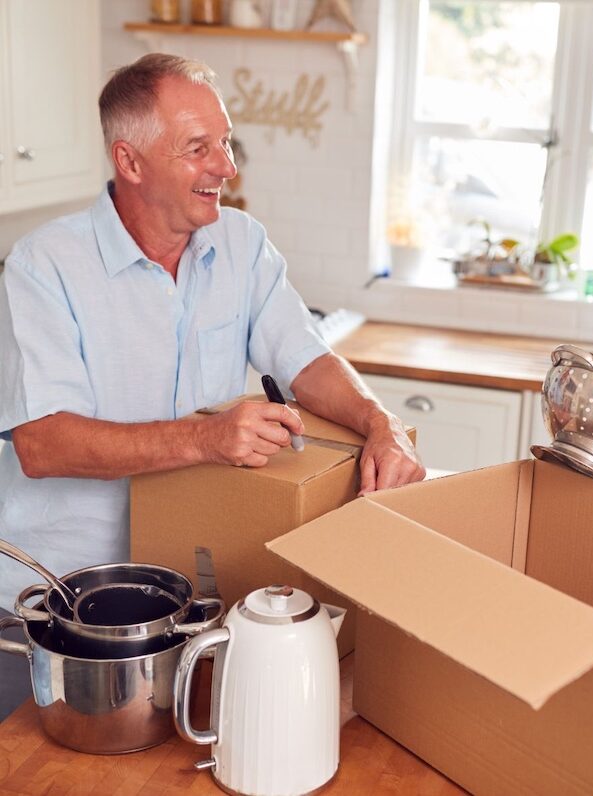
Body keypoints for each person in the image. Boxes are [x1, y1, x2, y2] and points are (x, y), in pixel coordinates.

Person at [0, 53, 424, 720]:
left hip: (190, 603)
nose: (226, 167)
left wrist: (382, 425)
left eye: (224, 142)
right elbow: (43, 445)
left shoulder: (243, 245)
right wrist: (208, 436)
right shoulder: (42, 267)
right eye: (199, 148)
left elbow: (304, 359)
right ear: (131, 162)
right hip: (60, 611)